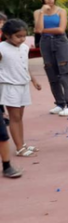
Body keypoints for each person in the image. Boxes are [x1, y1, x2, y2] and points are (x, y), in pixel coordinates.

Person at [0, 19, 42, 158]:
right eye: (18, 36)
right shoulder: (1, 48)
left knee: (19, 118)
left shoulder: (24, 47)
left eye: (24, 36)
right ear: (7, 35)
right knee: (15, 118)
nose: (22, 39)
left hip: (23, 84)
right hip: (9, 86)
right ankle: (19, 148)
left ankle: (22, 144)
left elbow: (25, 65)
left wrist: (33, 80)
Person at [35, 0, 68, 116]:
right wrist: (42, 13)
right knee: (51, 73)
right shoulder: (38, 12)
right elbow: (38, 29)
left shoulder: (61, 11)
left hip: (60, 42)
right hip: (45, 43)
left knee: (65, 72)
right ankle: (60, 103)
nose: (49, 0)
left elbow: (61, 30)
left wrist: (43, 30)